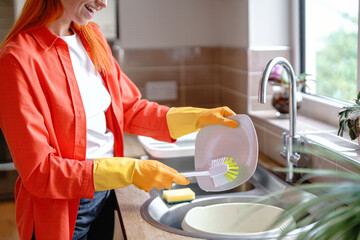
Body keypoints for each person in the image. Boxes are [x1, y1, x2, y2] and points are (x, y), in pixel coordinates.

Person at [0, 0, 239, 239]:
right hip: (58, 214)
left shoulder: (91, 36)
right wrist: (128, 171)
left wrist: (197, 119)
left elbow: (128, 109)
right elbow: (40, 172)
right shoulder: (17, 59)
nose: (103, 3)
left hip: (104, 196)